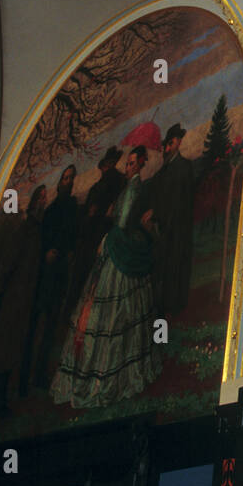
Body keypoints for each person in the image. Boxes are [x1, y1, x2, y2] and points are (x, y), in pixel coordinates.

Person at [51, 146, 161, 409]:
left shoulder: (135, 189)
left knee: (114, 313)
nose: (128, 167)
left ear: (141, 164)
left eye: (133, 163)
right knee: (104, 311)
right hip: (116, 246)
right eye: (128, 163)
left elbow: (122, 224)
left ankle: (107, 377)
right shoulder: (128, 189)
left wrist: (110, 231)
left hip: (119, 252)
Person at [0, 185, 48, 416]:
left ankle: (1, 396)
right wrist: (0, 294)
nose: (43, 201)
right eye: (40, 197)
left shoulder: (38, 231)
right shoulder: (24, 230)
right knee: (4, 350)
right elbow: (8, 265)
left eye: (44, 198)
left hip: (24, 300)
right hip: (13, 300)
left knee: (12, 350)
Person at [26, 164, 78, 390]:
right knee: (34, 326)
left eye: (70, 179)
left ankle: (39, 376)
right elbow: (42, 238)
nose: (66, 182)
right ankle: (26, 377)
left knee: (50, 328)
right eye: (64, 178)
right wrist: (47, 251)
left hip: (59, 274)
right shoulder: (51, 211)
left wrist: (67, 252)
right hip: (45, 275)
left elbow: (74, 235)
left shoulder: (73, 207)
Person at [65, 146, 126, 322]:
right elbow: (87, 215)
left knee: (94, 279)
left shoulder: (118, 182)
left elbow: (113, 211)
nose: (107, 167)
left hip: (101, 236)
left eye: (110, 164)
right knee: (82, 278)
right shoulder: (98, 187)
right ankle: (74, 315)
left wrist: (100, 213)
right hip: (89, 237)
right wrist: (88, 215)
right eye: (106, 164)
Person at [145, 123, 197, 316]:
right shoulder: (162, 173)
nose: (167, 148)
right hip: (162, 231)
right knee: (160, 275)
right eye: (165, 145)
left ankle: (166, 326)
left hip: (176, 230)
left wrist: (157, 213)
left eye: (171, 143)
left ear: (178, 143)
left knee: (173, 274)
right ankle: (159, 327)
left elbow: (179, 200)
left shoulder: (184, 167)